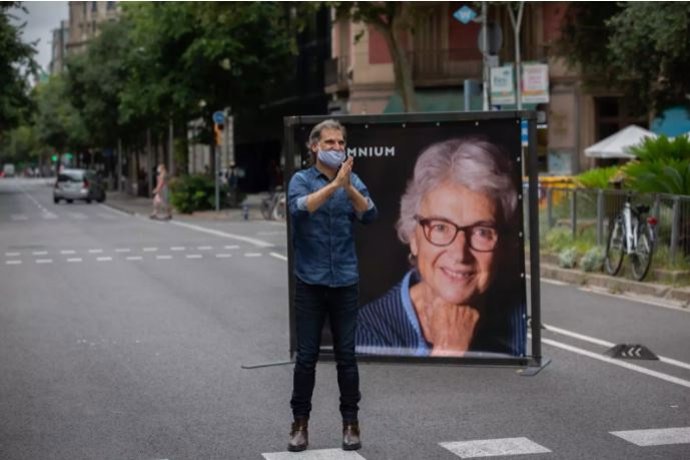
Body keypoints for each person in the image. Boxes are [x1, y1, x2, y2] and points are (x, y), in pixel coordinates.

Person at [356, 137, 526, 358]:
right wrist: (450, 350)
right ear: (413, 236)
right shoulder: (364, 332)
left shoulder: (521, 324)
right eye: (440, 227)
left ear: (503, 244)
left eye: (482, 232)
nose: (460, 253)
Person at [286, 119, 377, 452]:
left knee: (347, 358)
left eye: (341, 143)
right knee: (307, 358)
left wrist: (347, 186)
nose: (338, 148)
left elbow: (369, 214)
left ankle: (351, 424)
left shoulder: (351, 180)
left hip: (345, 281)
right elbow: (300, 208)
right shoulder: (301, 180)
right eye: (330, 143)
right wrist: (332, 187)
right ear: (314, 147)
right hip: (310, 282)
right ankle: (299, 425)